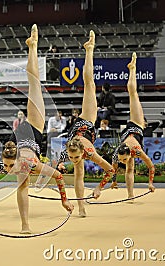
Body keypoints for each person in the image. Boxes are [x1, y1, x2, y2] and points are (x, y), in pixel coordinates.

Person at [0, 25, 73, 234]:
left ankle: (33, 45)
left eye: (10, 166)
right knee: (33, 86)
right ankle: (25, 224)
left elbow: (58, 176)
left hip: (33, 129)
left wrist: (63, 202)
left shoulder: (27, 164)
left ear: (17, 160)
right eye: (7, 166)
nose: (8, 169)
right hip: (23, 135)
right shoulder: (5, 165)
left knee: (34, 85)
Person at [57, 31, 115, 217]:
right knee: (78, 175)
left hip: (86, 121)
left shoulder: (89, 153)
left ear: (82, 152)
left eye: (75, 158)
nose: (74, 161)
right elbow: (58, 162)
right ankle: (82, 207)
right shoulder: (70, 152)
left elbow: (110, 170)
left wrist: (99, 188)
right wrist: (59, 164)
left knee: (89, 84)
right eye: (72, 159)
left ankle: (89, 50)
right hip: (77, 131)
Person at [110, 53, 156, 197]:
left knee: (133, 94)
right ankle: (130, 195)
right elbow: (114, 170)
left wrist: (150, 183)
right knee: (130, 170)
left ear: (130, 153)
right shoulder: (117, 155)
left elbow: (150, 166)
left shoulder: (136, 150)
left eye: (124, 159)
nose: (123, 162)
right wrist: (114, 182)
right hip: (133, 128)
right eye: (122, 159)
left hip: (136, 123)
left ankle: (132, 69)